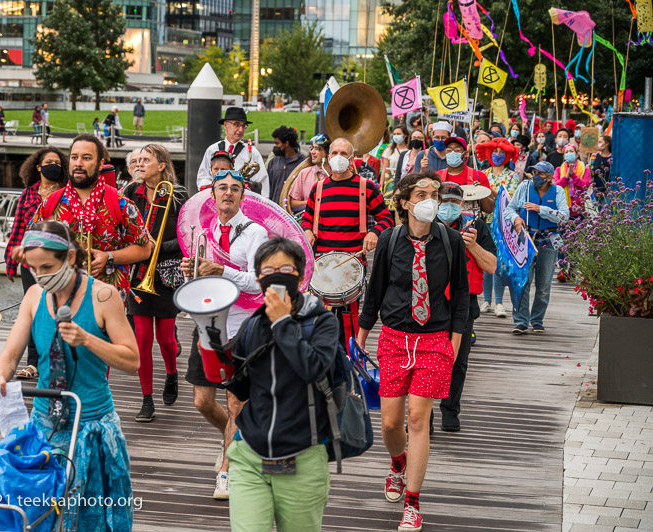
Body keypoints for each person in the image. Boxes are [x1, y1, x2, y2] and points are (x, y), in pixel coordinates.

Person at [0, 221, 140, 531]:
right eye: (34, 268)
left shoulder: (104, 296)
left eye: (47, 266)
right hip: (44, 426)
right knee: (37, 517)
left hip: (92, 425)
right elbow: (11, 354)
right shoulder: (33, 295)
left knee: (91, 521)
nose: (41, 275)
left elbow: (132, 360)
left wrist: (88, 340)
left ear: (70, 257)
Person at [357, 171, 468, 532]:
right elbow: (374, 292)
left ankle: (413, 503)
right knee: (390, 422)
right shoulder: (390, 240)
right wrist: (361, 335)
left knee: (418, 419)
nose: (431, 199)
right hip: (392, 338)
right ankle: (397, 464)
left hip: (435, 340)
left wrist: (454, 343)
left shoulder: (451, 241)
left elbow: (462, 296)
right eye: (422, 193)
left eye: (435, 193)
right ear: (405, 202)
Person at [224, 237, 338, 532]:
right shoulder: (252, 324)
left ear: (300, 276)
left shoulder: (321, 322)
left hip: (301, 456)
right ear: (258, 278)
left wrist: (283, 324)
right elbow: (241, 389)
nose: (276, 275)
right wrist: (215, 353)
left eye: (285, 268)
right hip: (250, 454)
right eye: (267, 270)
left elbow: (313, 369)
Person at [180, 168, 268, 500]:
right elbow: (199, 278)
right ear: (213, 195)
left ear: (243, 195)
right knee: (202, 401)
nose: (228, 193)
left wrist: (223, 270)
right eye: (222, 188)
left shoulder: (255, 233)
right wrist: (192, 270)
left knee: (235, 402)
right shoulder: (203, 231)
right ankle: (234, 439)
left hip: (242, 325)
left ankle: (226, 474)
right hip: (209, 320)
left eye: (234, 188)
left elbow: (261, 281)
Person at [33, 134, 151, 300]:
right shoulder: (51, 203)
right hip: (60, 298)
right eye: (74, 157)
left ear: (100, 163)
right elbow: (32, 244)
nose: (79, 163)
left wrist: (109, 257)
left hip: (107, 301)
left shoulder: (121, 204)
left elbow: (144, 249)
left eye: (86, 158)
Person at [301, 137, 394, 345]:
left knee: (348, 323)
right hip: (321, 266)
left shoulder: (366, 187)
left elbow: (386, 218)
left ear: (351, 158)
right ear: (328, 156)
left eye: (344, 154)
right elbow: (307, 217)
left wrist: (374, 233)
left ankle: (348, 362)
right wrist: (307, 230)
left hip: (351, 265)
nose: (338, 158)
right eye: (334, 153)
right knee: (317, 322)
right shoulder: (318, 189)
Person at [123, 144, 187, 421]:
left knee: (165, 339)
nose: (139, 164)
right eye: (136, 160)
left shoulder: (179, 195)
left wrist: (155, 246)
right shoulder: (129, 193)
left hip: (166, 272)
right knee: (142, 339)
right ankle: (146, 398)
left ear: (161, 165)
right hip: (138, 274)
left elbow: (187, 236)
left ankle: (171, 374)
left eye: (146, 160)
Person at [435, 182, 495, 432]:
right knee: (426, 359)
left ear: (462, 203)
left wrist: (472, 245)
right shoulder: (426, 224)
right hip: (430, 300)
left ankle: (450, 409)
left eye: (454, 202)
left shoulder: (476, 226)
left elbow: (491, 265)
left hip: (463, 302)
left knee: (458, 360)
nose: (449, 206)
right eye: (444, 201)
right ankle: (423, 415)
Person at [5, 147, 68, 380]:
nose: (54, 166)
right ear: (38, 167)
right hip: (31, 262)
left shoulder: (66, 193)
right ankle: (33, 363)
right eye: (49, 162)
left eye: (58, 162)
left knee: (58, 311)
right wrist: (11, 263)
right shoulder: (28, 194)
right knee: (33, 311)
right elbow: (18, 229)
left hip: (58, 262)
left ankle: (57, 360)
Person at [505, 161, 569, 334]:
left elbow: (564, 216)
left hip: (548, 239)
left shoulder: (558, 191)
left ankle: (537, 320)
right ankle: (520, 321)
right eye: (534, 172)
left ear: (549, 177)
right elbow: (509, 210)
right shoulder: (524, 188)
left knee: (544, 284)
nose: (535, 176)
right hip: (526, 237)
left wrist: (541, 209)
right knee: (523, 281)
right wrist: (516, 219)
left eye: (540, 174)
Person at [473, 137, 520, 318]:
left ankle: (499, 302)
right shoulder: (482, 174)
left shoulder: (512, 176)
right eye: (495, 152)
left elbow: (510, 198)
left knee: (499, 264)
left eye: (502, 152)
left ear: (508, 155)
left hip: (503, 225)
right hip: (484, 222)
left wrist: (489, 190)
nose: (498, 155)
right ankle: (486, 300)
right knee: (485, 260)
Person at [196, 107, 269, 196]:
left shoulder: (253, 153)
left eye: (243, 126)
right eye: (237, 125)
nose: (241, 130)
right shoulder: (212, 150)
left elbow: (263, 183)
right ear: (226, 125)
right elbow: (203, 178)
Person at [435, 137, 495, 214]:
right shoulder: (438, 176)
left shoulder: (478, 175)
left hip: (469, 224)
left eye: (457, 150)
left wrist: (480, 192)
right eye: (449, 150)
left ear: (465, 154)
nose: (452, 153)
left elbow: (489, 209)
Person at [288, 134, 331, 213]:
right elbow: (293, 205)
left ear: (328, 152)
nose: (312, 152)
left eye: (317, 149)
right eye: (312, 148)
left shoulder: (336, 173)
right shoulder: (304, 173)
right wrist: (313, 202)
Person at [267, 125, 307, 203]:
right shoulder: (273, 162)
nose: (275, 146)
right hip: (275, 209)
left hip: (294, 211)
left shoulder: (303, 163)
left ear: (286, 143)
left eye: (277, 143)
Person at [553, 144, 591, 220]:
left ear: (576, 155)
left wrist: (573, 175)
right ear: (563, 156)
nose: (569, 153)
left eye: (571, 151)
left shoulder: (585, 169)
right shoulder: (558, 169)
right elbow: (556, 187)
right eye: (566, 152)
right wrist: (566, 176)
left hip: (580, 208)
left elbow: (585, 187)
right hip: (563, 207)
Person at [381, 125, 409, 197]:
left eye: (398, 134)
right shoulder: (389, 151)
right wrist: (381, 186)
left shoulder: (410, 151)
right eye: (394, 134)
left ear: (405, 135)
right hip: (391, 183)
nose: (396, 136)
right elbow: (384, 169)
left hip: (406, 182)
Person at [589, 135, 612, 199]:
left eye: (600, 142)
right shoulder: (594, 155)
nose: (597, 144)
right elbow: (591, 172)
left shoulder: (612, 158)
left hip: (609, 192)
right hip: (595, 190)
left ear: (607, 143)